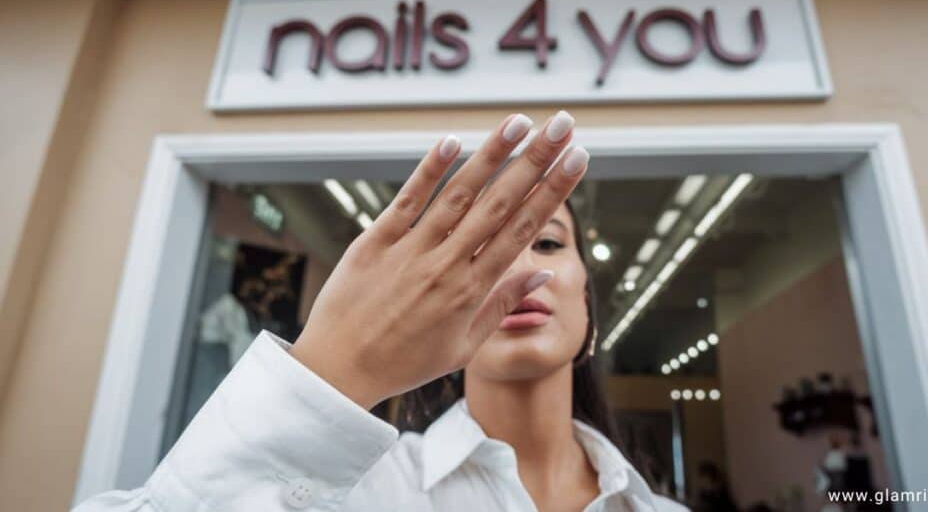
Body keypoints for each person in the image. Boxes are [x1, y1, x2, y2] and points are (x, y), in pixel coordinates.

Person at [73, 111, 688, 511]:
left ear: (592, 310)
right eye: (477, 255)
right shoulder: (347, 491)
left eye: (549, 243)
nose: (519, 270)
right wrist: (331, 369)